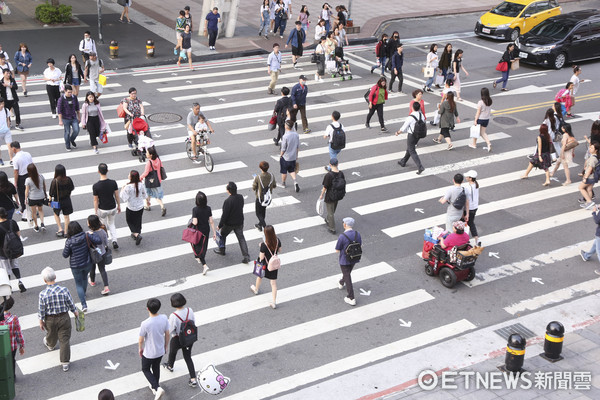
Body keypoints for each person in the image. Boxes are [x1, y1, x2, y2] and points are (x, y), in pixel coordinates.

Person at [38, 267, 79, 372]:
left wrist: (41, 321)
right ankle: (65, 362)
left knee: (51, 333)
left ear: (44, 280)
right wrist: (75, 311)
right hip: (64, 317)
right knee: (64, 339)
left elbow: (41, 309)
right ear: (55, 277)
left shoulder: (42, 294)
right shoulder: (64, 290)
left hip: (50, 319)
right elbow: (70, 303)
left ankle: (50, 345)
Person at [62, 221, 101, 312]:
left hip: (75, 266)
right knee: (84, 278)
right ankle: (83, 293)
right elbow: (99, 241)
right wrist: (92, 233)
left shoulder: (69, 241)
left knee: (78, 283)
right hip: (87, 262)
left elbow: (65, 255)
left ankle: (83, 304)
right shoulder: (86, 236)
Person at [162, 293, 198, 387]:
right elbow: (193, 322)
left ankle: (170, 366)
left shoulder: (174, 315)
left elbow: (170, 330)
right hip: (188, 337)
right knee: (188, 357)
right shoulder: (190, 310)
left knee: (173, 353)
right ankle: (193, 379)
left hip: (177, 339)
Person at [138, 298, 169, 400]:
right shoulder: (164, 318)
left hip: (149, 352)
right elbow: (167, 333)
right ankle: (155, 387)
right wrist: (165, 346)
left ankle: (156, 387)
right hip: (160, 351)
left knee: (145, 369)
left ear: (147, 309)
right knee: (156, 367)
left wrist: (140, 348)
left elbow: (141, 339)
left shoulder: (145, 323)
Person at [213, 181, 250, 264]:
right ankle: (246, 256)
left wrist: (219, 225)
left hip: (229, 224)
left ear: (229, 190)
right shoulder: (240, 197)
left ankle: (222, 250)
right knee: (241, 238)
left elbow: (224, 215)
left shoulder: (228, 201)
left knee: (222, 235)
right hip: (239, 222)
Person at [250, 225, 281, 309]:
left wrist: (261, 247)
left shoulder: (264, 245)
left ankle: (256, 289)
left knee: (260, 276)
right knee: (273, 284)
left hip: (265, 265)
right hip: (273, 265)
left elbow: (261, 257)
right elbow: (279, 250)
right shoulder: (277, 241)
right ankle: (274, 302)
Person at [93, 163, 121, 249]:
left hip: (102, 209)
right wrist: (119, 205)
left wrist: (95, 211)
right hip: (112, 207)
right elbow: (116, 195)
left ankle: (105, 244)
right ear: (107, 171)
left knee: (103, 227)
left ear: (98, 171)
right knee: (112, 224)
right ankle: (114, 240)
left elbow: (95, 200)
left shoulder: (96, 186)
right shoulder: (113, 183)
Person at [335, 217, 361, 306]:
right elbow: (360, 244)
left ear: (345, 225)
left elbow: (337, 249)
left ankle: (351, 297)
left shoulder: (342, 236)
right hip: (354, 258)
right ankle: (341, 282)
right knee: (347, 273)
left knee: (347, 276)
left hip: (344, 260)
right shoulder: (357, 234)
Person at [0, 207, 26, 293]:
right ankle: (20, 281)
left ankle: (9, 287)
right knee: (15, 265)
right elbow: (18, 235)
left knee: (6, 269)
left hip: (3, 252)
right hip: (13, 249)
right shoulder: (12, 222)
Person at [396, 101, 425, 175]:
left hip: (411, 134)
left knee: (412, 150)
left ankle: (420, 166)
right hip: (419, 134)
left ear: (412, 108)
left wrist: (398, 132)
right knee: (410, 148)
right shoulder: (421, 115)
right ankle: (403, 161)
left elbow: (404, 127)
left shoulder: (410, 117)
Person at [191, 191, 216, 275]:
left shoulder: (195, 210)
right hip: (206, 230)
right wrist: (214, 232)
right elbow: (211, 221)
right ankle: (200, 257)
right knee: (204, 245)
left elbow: (195, 222)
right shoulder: (208, 208)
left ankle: (204, 265)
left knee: (197, 246)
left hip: (198, 231)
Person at [120, 169, 147, 246]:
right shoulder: (141, 184)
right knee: (138, 221)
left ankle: (136, 235)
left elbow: (124, 198)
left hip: (131, 207)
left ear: (131, 177)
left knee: (129, 221)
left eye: (129, 174)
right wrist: (147, 201)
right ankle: (137, 233)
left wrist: (122, 189)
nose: (128, 175)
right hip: (140, 207)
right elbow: (145, 195)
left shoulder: (128, 187)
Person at [320, 158, 345, 234]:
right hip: (338, 195)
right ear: (337, 164)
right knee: (332, 210)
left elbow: (325, 186)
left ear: (330, 165)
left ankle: (332, 228)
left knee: (330, 212)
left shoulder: (329, 175)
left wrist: (321, 195)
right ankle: (328, 219)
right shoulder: (341, 173)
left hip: (330, 196)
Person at [0, 297, 24, 376]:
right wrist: (21, 346)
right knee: (11, 361)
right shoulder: (14, 319)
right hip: (12, 347)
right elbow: (18, 334)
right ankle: (12, 376)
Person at [140, 146, 167, 217]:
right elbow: (161, 167)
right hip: (158, 180)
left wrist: (140, 177)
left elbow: (146, 173)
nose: (146, 154)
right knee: (157, 196)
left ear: (151, 155)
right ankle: (162, 206)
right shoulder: (158, 159)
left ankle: (147, 206)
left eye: (147, 153)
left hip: (149, 181)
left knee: (148, 193)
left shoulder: (149, 163)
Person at [87, 214, 110, 296]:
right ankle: (106, 287)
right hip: (102, 253)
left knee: (92, 269)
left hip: (92, 254)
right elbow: (106, 242)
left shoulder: (89, 234)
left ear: (90, 224)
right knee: (102, 270)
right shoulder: (103, 231)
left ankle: (92, 281)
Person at [50, 164, 75, 238]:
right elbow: (72, 188)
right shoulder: (68, 179)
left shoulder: (55, 181)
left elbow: (51, 193)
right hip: (67, 200)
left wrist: (49, 200)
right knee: (66, 216)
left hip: (57, 201)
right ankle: (66, 232)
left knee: (56, 214)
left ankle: (60, 229)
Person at [252, 161, 277, 231]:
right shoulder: (271, 176)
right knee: (263, 211)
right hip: (267, 197)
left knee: (258, 213)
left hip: (259, 197)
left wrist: (255, 181)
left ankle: (265, 227)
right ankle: (260, 224)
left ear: (260, 168)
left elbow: (254, 187)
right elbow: (274, 185)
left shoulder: (258, 177)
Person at [10, 141, 32, 219]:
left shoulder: (15, 158)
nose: (11, 150)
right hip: (30, 175)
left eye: (11, 148)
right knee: (30, 192)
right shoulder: (28, 154)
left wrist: (15, 183)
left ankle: (24, 209)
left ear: (14, 148)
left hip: (21, 178)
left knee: (22, 194)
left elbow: (16, 171)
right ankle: (33, 208)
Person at [56, 85, 81, 151]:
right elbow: (59, 111)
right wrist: (60, 120)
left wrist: (79, 117)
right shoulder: (61, 99)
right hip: (65, 118)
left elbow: (77, 108)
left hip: (73, 117)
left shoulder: (74, 97)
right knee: (67, 132)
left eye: (71, 92)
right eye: (68, 92)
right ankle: (67, 145)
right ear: (65, 91)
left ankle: (71, 140)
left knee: (76, 130)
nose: (70, 94)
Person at [24, 163, 46, 232]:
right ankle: (42, 223)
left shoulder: (28, 180)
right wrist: (45, 194)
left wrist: (25, 199)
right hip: (41, 196)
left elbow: (26, 191)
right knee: (40, 210)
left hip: (32, 198)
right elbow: (44, 186)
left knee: (34, 212)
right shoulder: (41, 176)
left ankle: (36, 226)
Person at [279, 120, 300, 191]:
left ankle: (283, 183)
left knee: (284, 171)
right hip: (293, 157)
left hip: (286, 157)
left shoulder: (285, 136)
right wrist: (296, 156)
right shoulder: (296, 135)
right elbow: (297, 146)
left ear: (286, 127)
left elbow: (283, 148)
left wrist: (281, 155)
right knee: (291, 170)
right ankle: (295, 181)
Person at [578, 142, 599, 210]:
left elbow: (590, 169)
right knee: (589, 189)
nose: (590, 149)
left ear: (596, 150)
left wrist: (585, 177)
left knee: (581, 187)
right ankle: (588, 203)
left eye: (592, 148)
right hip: (594, 177)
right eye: (590, 147)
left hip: (590, 177)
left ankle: (589, 202)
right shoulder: (595, 157)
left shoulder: (593, 158)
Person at [463, 170, 479, 244]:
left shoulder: (468, 187)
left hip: (469, 208)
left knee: (463, 223)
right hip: (475, 207)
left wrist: (467, 213)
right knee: (471, 223)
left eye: (467, 176)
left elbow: (467, 200)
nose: (466, 177)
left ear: (470, 178)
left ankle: (465, 239)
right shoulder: (476, 184)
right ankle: (476, 239)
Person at [0, 98, 14, 166]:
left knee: (9, 145)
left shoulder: (6, 110)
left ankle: (11, 159)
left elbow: (8, 119)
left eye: (3, 103)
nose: (2, 105)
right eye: (0, 104)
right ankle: (0, 159)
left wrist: (8, 127)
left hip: (6, 131)